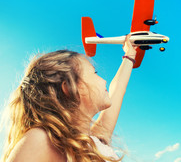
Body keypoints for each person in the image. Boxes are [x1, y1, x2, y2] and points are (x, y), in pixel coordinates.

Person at [1, 35, 137, 162]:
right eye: (95, 72)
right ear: (70, 87)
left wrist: (130, 53)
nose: (104, 81)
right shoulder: (42, 140)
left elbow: (118, 89)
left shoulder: (96, 142)